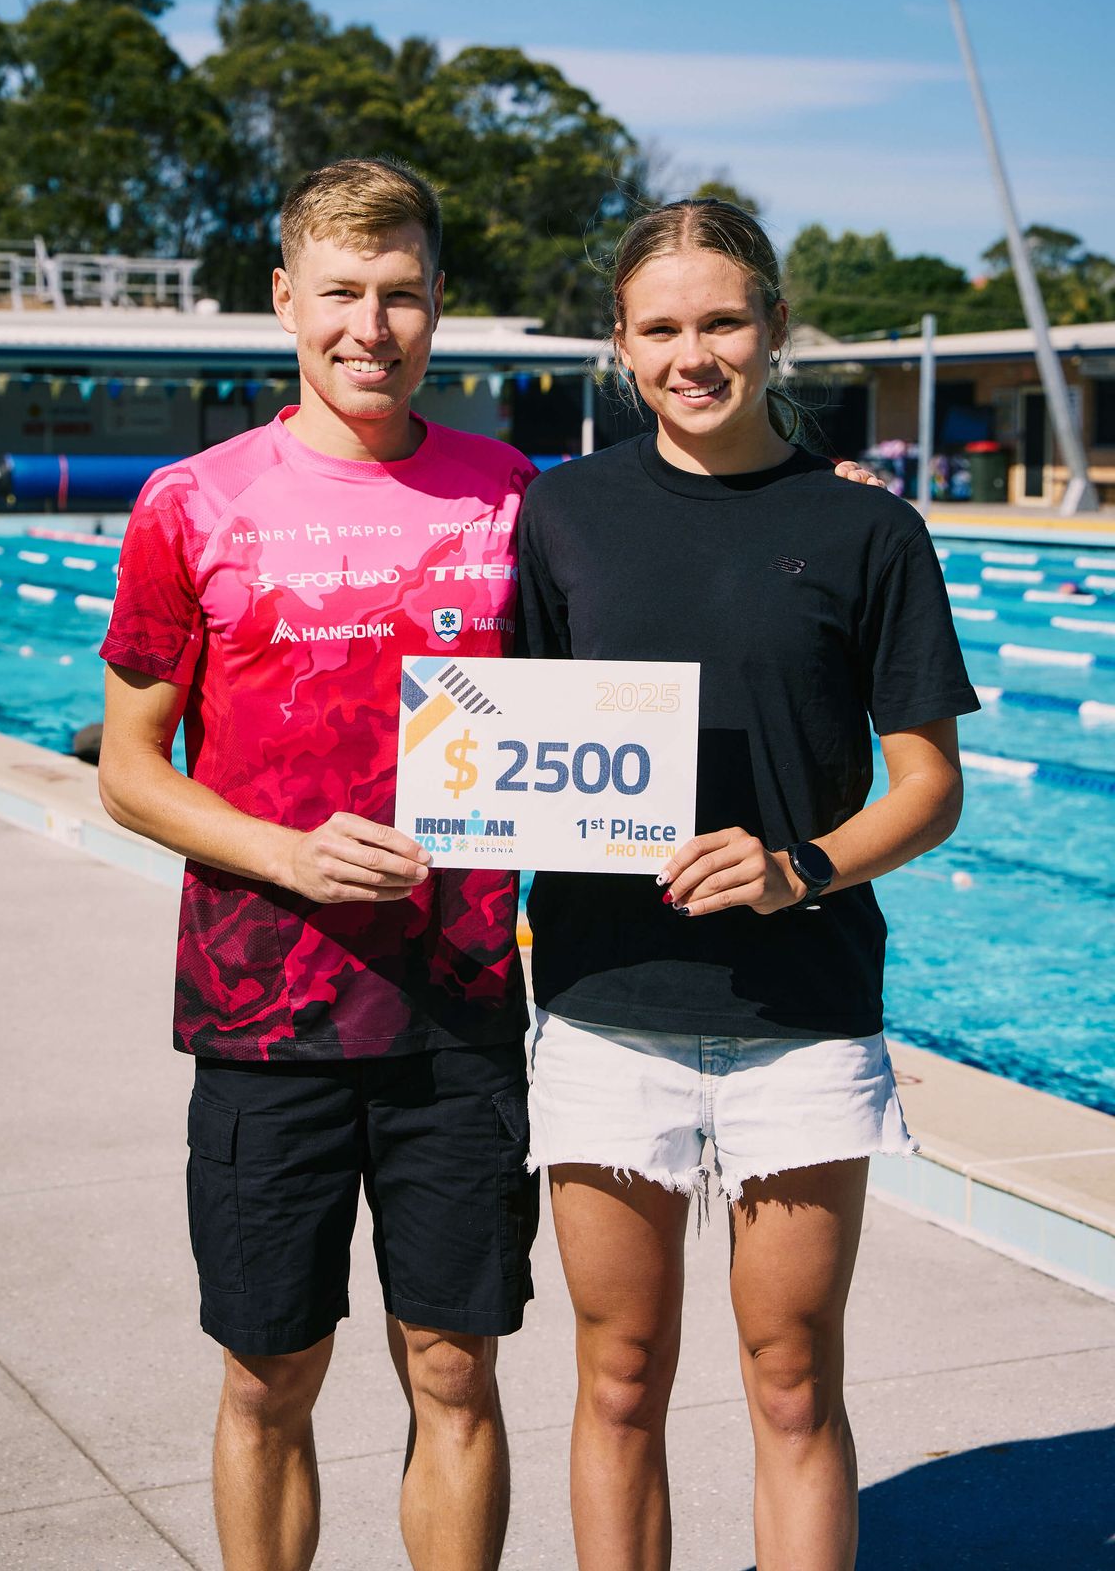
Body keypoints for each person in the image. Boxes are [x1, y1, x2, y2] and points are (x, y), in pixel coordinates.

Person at [515, 198, 979, 1571]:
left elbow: (929, 784)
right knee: (618, 1379)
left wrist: (801, 868)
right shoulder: (563, 513)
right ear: (620, 344)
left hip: (802, 1015)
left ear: (776, 326)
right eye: (660, 329)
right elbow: (512, 738)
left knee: (791, 1381)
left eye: (722, 321)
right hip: (606, 1007)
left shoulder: (867, 531)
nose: (693, 355)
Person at [97, 158, 540, 1571]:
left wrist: (816, 488)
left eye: (400, 293)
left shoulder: (514, 496)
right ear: (286, 298)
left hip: (460, 1011)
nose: (372, 326)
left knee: (455, 1370)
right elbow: (129, 768)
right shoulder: (191, 502)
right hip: (264, 1017)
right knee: (267, 1376)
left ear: (438, 303)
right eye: (342, 292)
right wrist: (287, 855)